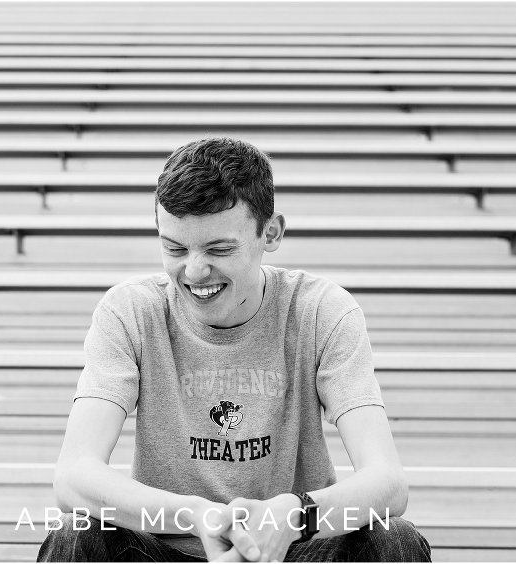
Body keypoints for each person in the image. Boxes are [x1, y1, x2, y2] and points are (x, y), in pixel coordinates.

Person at [38, 138, 432, 562]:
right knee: (75, 536)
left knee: (394, 540)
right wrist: (196, 517)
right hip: (168, 549)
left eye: (219, 249)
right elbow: (74, 477)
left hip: (293, 551)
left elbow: (389, 482)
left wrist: (295, 516)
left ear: (272, 232)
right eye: (174, 248)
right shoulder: (130, 311)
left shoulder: (322, 310)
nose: (193, 271)